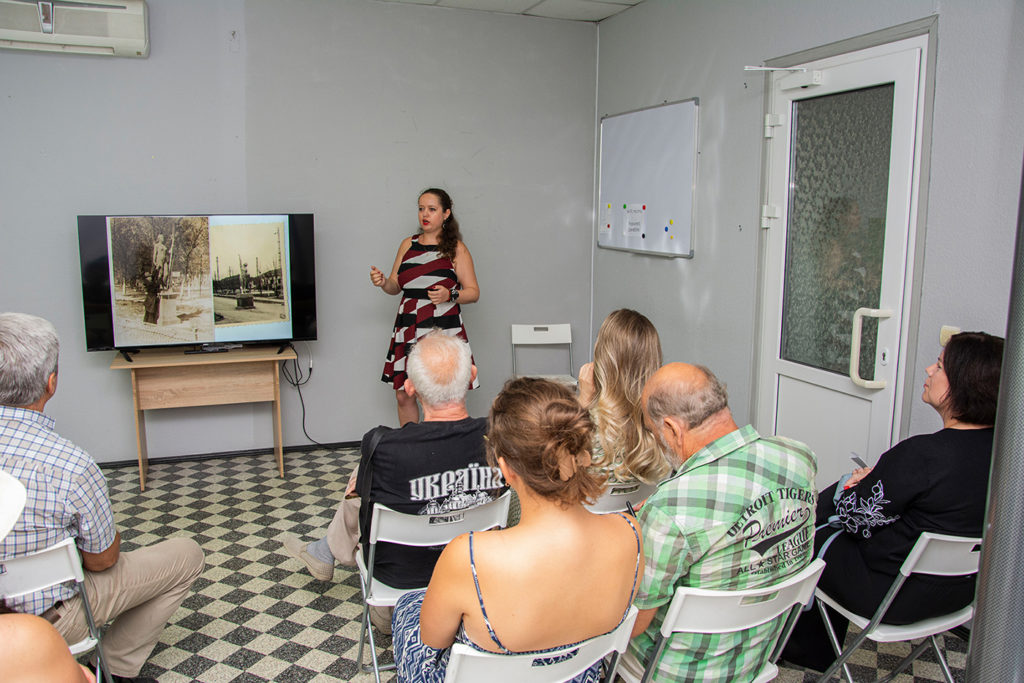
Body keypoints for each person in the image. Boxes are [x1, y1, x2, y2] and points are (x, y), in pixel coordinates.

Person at [392, 377, 643, 683]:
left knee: (407, 607)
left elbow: (432, 641)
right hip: (580, 675)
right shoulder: (631, 533)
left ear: (506, 468)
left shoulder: (469, 556)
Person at [0, 312, 205, 683]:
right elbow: (102, 560)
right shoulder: (69, 464)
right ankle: (114, 668)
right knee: (186, 554)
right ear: (51, 382)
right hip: (46, 623)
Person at [782, 331, 1004, 672]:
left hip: (891, 598)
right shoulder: (1005, 455)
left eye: (941, 365)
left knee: (809, 529)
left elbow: (855, 516)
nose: (929, 369)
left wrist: (851, 484)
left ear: (963, 384)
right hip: (958, 595)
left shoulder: (923, 455)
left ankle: (804, 651)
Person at [281, 331, 504, 631]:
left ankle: (326, 550)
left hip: (398, 600)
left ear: (410, 388)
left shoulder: (382, 446)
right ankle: (324, 549)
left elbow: (362, 503)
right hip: (480, 592)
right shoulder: (502, 438)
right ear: (471, 376)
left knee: (362, 483)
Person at [623, 362, 817, 682]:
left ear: (671, 429)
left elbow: (635, 624)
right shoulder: (798, 458)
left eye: (652, 430)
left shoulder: (671, 509)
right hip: (757, 656)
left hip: (678, 671)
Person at [371, 188, 480, 425]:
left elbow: (473, 293)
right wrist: (383, 283)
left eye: (432, 209)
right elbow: (395, 285)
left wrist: (449, 294)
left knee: (444, 397)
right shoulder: (407, 244)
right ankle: (413, 450)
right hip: (408, 325)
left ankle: (443, 450)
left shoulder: (456, 248)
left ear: (446, 213)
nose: (425, 214)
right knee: (403, 394)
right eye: (421, 208)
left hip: (442, 327)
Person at [578, 309, 669, 484]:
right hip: (636, 511)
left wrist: (581, 404)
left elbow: (547, 474)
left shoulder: (588, 429)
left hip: (584, 510)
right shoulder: (664, 430)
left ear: (603, 359)